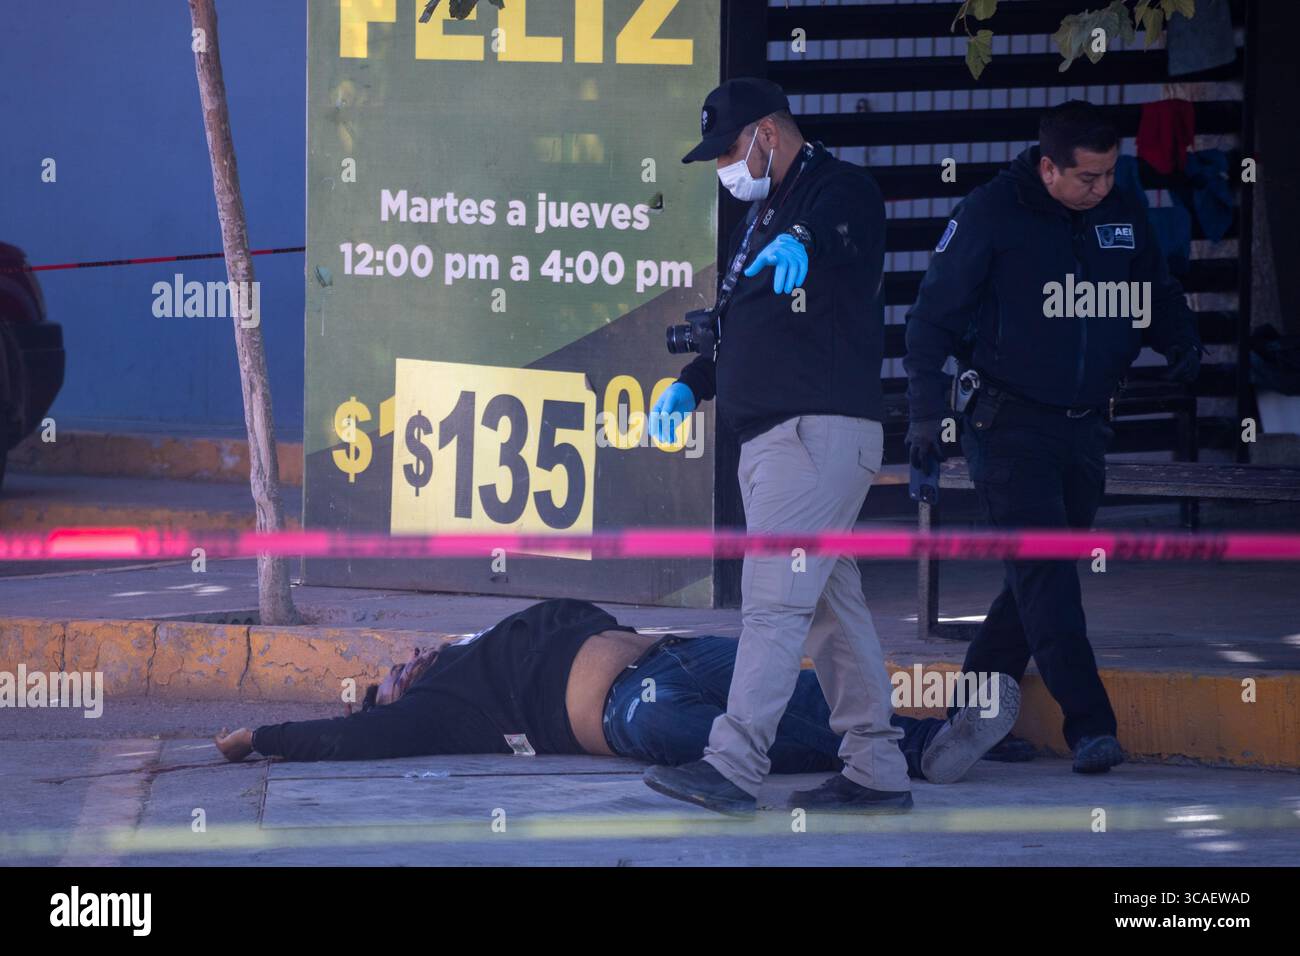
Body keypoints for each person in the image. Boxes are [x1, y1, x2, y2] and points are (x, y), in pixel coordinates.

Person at [903, 101, 1203, 774]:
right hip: (1007, 426)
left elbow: (1152, 288)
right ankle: (1090, 726)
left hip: (1086, 426)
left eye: (1110, 173)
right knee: (1048, 573)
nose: (1104, 188)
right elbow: (929, 324)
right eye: (1088, 178)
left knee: (1036, 579)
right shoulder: (989, 215)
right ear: (1047, 167)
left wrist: (1180, 339)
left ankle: (968, 717)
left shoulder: (1120, 207)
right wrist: (924, 420)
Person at [642, 77, 908, 816]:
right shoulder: (765, 217)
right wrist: (692, 383)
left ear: (767, 133)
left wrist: (807, 238)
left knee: (772, 607)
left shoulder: (834, 193)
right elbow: (736, 328)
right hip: (781, 442)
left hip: (811, 436)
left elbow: (850, 224)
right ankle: (877, 767)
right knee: (830, 608)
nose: (726, 167)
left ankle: (733, 765)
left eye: (730, 149)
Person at [214, 599, 1020, 808]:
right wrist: (259, 736)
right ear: (392, 705)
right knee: (769, 735)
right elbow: (350, 740)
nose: (396, 668)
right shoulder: (438, 706)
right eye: (380, 687)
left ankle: (938, 739)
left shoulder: (476, 641)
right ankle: (928, 751)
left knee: (795, 689)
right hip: (632, 713)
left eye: (386, 666)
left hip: (676, 650)